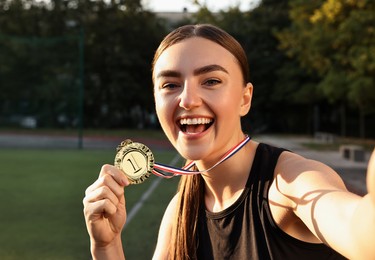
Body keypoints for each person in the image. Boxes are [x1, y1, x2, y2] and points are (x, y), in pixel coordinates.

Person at [83, 24, 375, 260]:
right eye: (170, 85)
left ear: (245, 98)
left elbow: (361, 235)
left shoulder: (291, 183)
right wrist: (106, 246)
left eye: (210, 81)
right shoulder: (181, 211)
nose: (187, 100)